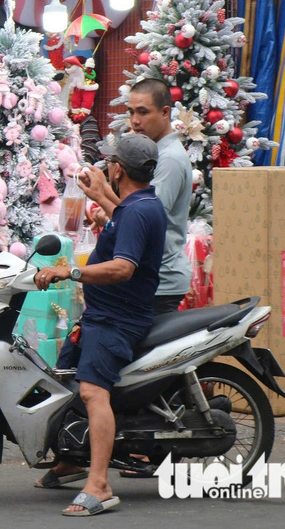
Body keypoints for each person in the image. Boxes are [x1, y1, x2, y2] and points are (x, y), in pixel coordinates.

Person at [33, 134, 167, 517]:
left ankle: (100, 484)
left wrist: (67, 272)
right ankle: (73, 458)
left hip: (118, 320)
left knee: (93, 391)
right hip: (101, 314)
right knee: (66, 377)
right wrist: (102, 199)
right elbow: (123, 214)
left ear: (118, 169)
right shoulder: (138, 204)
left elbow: (123, 268)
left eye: (110, 163)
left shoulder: (140, 211)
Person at [79, 78, 192, 318]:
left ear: (165, 112)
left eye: (143, 112)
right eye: (130, 112)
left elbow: (144, 222)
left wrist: (103, 196)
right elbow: (135, 211)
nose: (135, 121)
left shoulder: (168, 159)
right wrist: (108, 200)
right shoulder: (154, 152)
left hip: (160, 281)